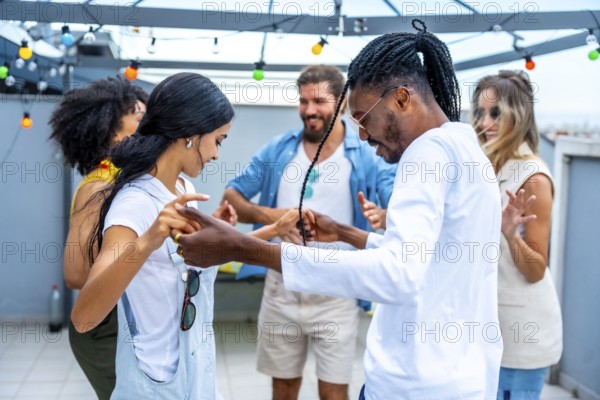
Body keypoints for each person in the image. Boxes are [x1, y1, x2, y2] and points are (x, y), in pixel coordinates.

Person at [176, 20, 504, 399]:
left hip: (414, 383)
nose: (362, 135)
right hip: (462, 377)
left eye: (363, 118)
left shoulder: (425, 153)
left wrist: (242, 248)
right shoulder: (467, 150)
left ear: (402, 98)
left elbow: (399, 273)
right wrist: (348, 233)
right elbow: (425, 260)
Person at [69, 72, 306, 399]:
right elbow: (84, 318)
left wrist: (270, 231)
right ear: (191, 135)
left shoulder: (181, 188)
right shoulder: (134, 203)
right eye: (219, 140)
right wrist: (149, 238)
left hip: (195, 372)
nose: (217, 155)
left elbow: (183, 268)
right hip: (154, 383)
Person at [223, 65, 396, 400]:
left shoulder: (365, 155)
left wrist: (384, 215)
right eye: (303, 102)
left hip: (337, 293)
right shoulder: (278, 149)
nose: (309, 111)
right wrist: (276, 217)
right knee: (283, 388)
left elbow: (398, 210)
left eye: (319, 101)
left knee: (333, 392)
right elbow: (232, 196)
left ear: (341, 102)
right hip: (281, 288)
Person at [49, 76, 147, 400]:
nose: (151, 127)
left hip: (132, 326)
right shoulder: (99, 185)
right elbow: (75, 275)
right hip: (105, 330)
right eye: (140, 119)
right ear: (111, 132)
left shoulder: (130, 180)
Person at [472, 70, 562, 400]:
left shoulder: (533, 176)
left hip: (520, 337)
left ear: (518, 115)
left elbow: (536, 269)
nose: (485, 122)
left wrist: (511, 235)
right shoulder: (489, 165)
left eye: (496, 112)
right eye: (480, 112)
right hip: (488, 328)